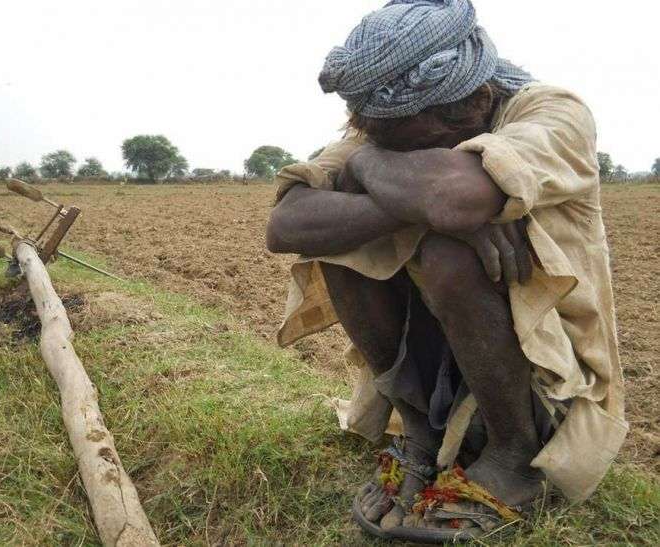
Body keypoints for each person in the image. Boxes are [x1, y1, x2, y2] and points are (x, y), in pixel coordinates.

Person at [266, 0, 628, 543]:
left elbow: (455, 198)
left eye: (413, 150)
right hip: (438, 358)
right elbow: (286, 224)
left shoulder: (552, 113)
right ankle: (419, 435)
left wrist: (391, 182)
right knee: (340, 245)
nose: (389, 156)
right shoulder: (376, 141)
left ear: (475, 102)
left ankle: (514, 457)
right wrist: (382, 174)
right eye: (379, 148)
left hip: (546, 375)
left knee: (449, 253)